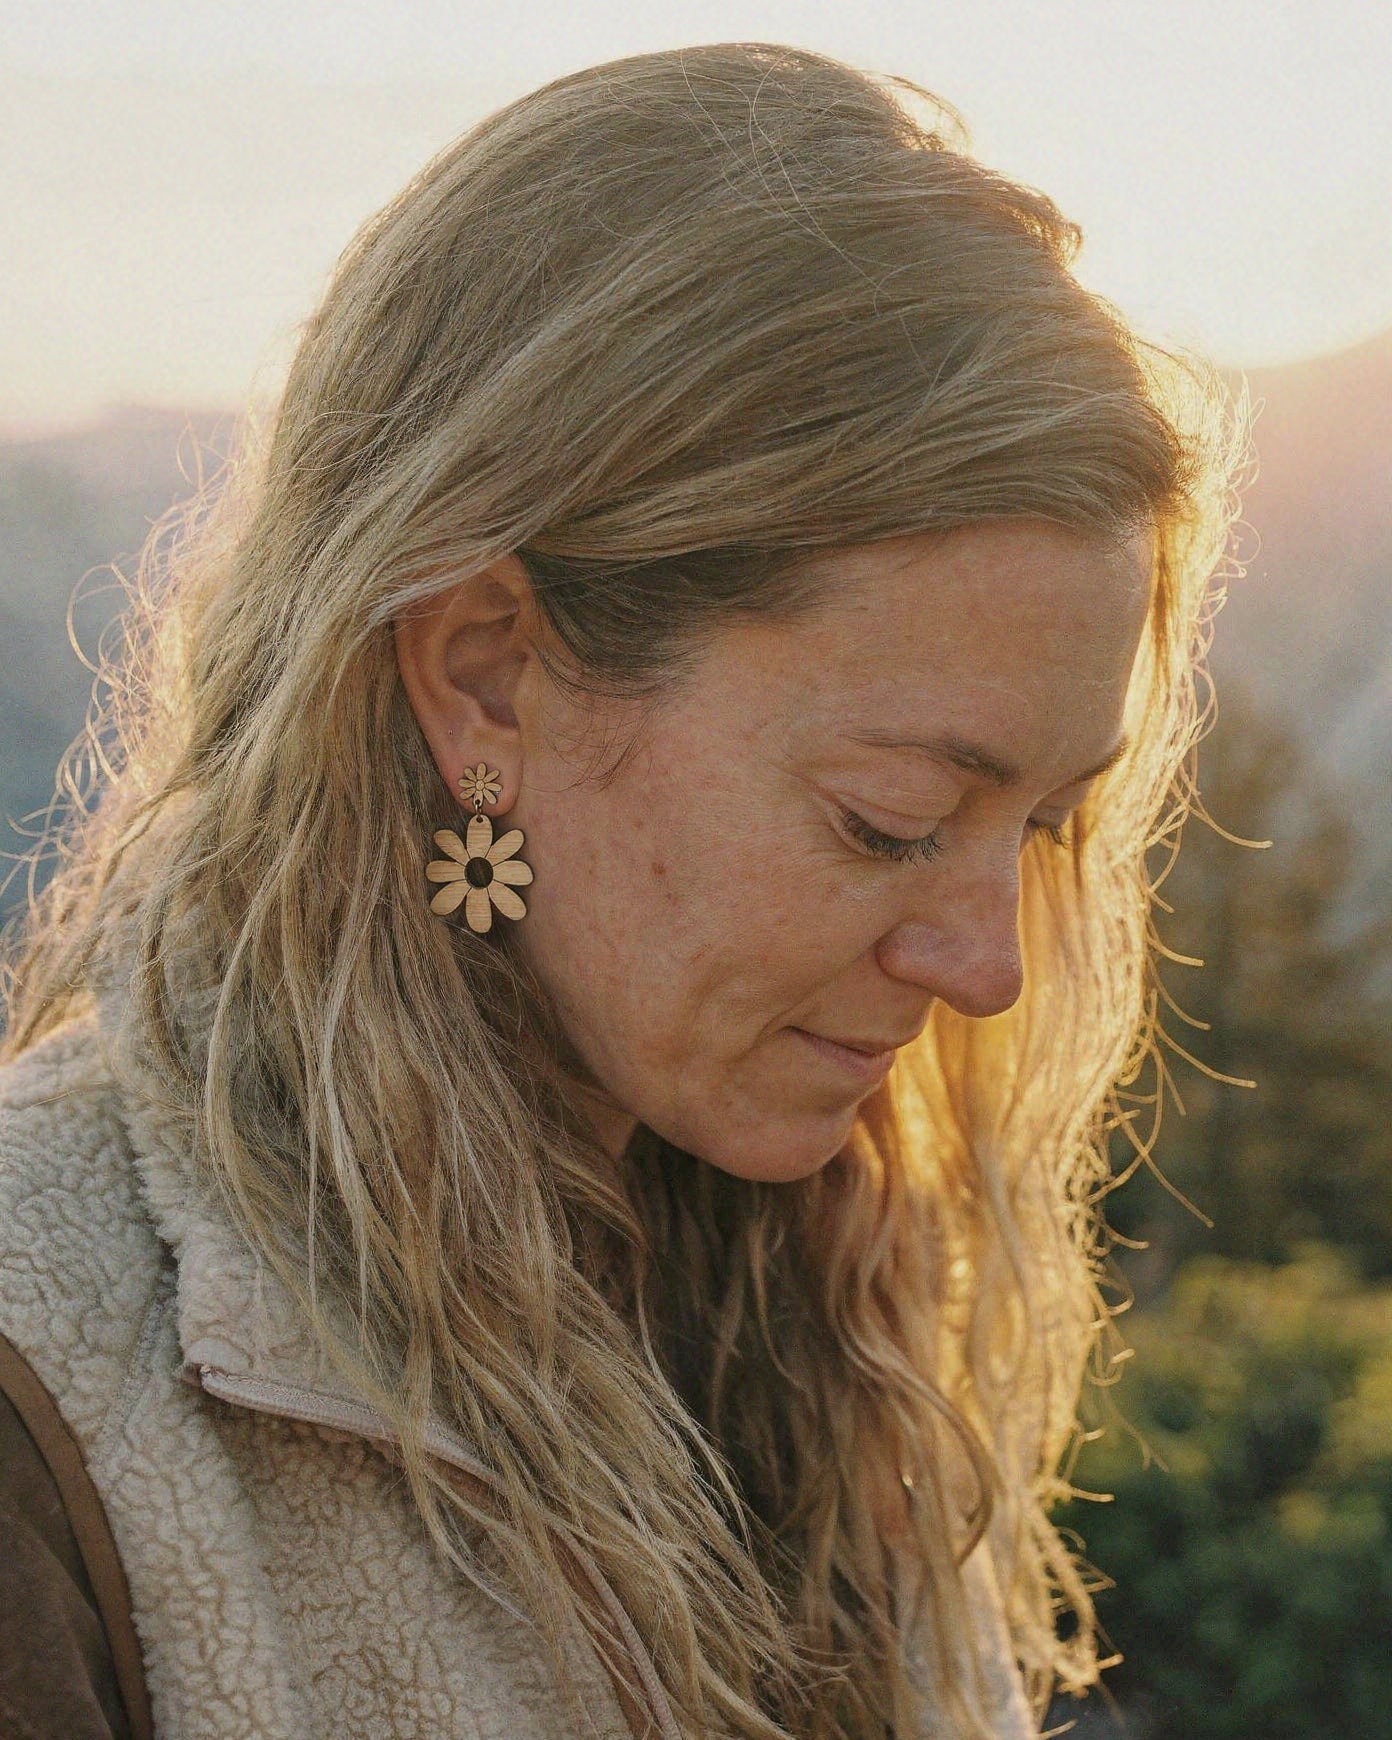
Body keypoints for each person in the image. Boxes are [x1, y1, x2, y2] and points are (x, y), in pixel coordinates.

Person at [0, 40, 1245, 1740]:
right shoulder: (49, 1405)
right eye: (891, 819)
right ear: (487, 677)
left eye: (1039, 829)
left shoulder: (813, 1316)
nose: (988, 964)